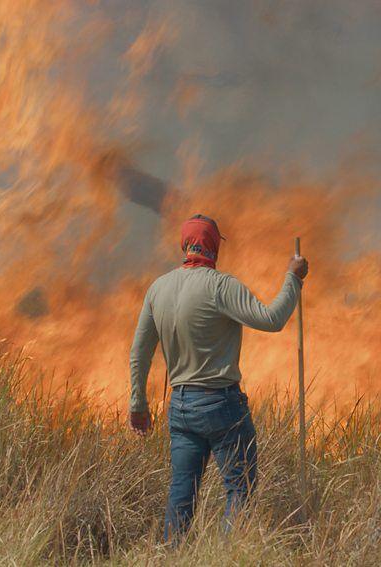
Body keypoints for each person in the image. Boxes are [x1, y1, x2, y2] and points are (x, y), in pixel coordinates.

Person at [128, 214, 308, 541]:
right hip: (221, 405)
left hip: (180, 407)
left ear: (185, 245)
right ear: (214, 247)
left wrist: (138, 404)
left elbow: (139, 352)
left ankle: (173, 559)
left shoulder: (158, 289)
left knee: (182, 492)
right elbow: (271, 319)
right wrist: (292, 279)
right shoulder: (221, 285)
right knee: (240, 487)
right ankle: (228, 556)